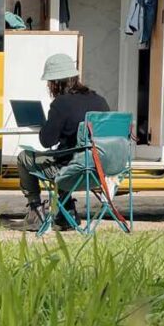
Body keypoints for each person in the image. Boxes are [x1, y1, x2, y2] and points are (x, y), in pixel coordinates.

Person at [12, 53, 109, 231]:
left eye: (49, 83)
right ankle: (67, 212)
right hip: (99, 171)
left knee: (24, 157)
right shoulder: (100, 101)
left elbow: (46, 141)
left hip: (72, 171)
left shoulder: (61, 104)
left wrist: (48, 125)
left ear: (55, 83)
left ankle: (36, 211)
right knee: (70, 155)